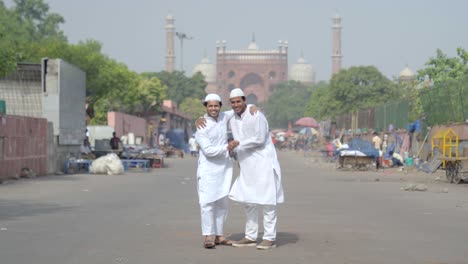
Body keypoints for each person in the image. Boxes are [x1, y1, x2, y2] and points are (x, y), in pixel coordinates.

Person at [195, 94, 259, 249]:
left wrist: (252, 107)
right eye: (210, 106)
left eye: (216, 106)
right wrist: (227, 147)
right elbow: (209, 151)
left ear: (220, 106)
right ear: (206, 107)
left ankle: (219, 235)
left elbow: (239, 106)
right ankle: (208, 236)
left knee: (222, 203)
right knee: (208, 203)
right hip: (208, 169)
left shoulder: (224, 116)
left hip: (224, 168)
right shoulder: (201, 127)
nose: (213, 109)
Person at [227, 88, 285, 250]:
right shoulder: (232, 118)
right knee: (249, 201)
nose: (236, 104)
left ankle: (269, 238)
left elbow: (260, 139)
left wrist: (237, 144)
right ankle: (251, 236)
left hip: (263, 163)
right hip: (246, 164)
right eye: (233, 102)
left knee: (267, 201)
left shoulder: (256, 115)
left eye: (239, 101)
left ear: (245, 100)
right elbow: (216, 113)